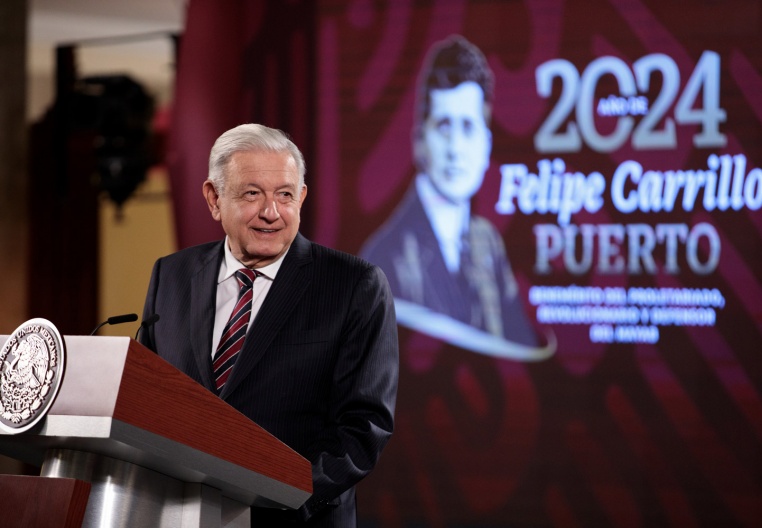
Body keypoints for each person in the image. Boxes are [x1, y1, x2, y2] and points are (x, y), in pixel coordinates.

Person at [139, 123, 399, 527]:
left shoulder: (353, 286)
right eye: (252, 194)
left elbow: (364, 428)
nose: (271, 212)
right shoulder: (171, 276)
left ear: (302, 198)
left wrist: (276, 496)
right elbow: (145, 399)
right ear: (213, 198)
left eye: (285, 195)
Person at [360, 36, 549, 359]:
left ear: (486, 145)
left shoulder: (487, 241)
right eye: (444, 126)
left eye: (468, 127)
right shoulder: (385, 259)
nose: (456, 148)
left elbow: (520, 349)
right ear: (419, 139)